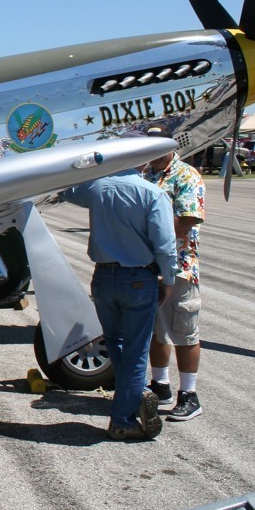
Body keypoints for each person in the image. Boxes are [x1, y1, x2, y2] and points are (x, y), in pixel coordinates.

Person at [62, 168, 177, 441]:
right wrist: (168, 278)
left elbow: (66, 191)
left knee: (117, 344)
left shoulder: (97, 188)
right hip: (137, 277)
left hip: (103, 277)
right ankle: (122, 419)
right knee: (136, 352)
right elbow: (164, 244)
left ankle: (129, 397)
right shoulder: (152, 193)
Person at [143, 127, 206, 421]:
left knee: (184, 331)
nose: (153, 149)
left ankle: (190, 395)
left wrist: (154, 242)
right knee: (158, 330)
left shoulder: (185, 174)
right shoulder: (146, 174)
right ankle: (160, 384)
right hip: (148, 265)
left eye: (158, 143)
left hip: (179, 266)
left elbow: (188, 217)